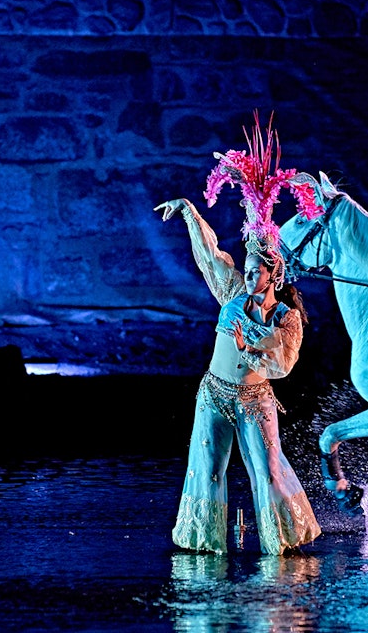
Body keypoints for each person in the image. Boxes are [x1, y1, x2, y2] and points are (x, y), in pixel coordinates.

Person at [154, 115, 322, 555]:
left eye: (256, 271)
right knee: (207, 467)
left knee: (264, 471)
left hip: (254, 399)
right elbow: (210, 255)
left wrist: (251, 349)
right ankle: (203, 543)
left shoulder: (286, 319)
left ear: (274, 273)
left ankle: (280, 539)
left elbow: (283, 366)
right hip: (214, 393)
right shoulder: (231, 289)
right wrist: (190, 211)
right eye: (246, 269)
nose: (248, 276)